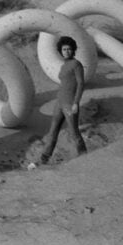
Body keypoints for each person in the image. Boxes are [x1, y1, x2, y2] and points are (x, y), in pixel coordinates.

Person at [39, 35, 87, 164]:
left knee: (74, 132)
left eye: (69, 49)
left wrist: (76, 102)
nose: (67, 51)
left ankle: (85, 157)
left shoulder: (76, 64)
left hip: (70, 103)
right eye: (64, 49)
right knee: (52, 131)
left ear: (73, 50)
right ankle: (44, 159)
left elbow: (81, 83)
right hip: (59, 102)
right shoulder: (64, 65)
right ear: (61, 51)